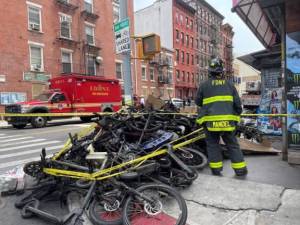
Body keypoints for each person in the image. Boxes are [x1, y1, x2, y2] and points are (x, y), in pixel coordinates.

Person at [195, 57, 247, 176]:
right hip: (228, 122)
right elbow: (238, 105)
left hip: (210, 123)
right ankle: (240, 170)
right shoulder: (230, 85)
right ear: (222, 71)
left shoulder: (204, 85)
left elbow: (198, 102)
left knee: (213, 145)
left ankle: (216, 170)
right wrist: (237, 114)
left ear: (209, 71)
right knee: (232, 145)